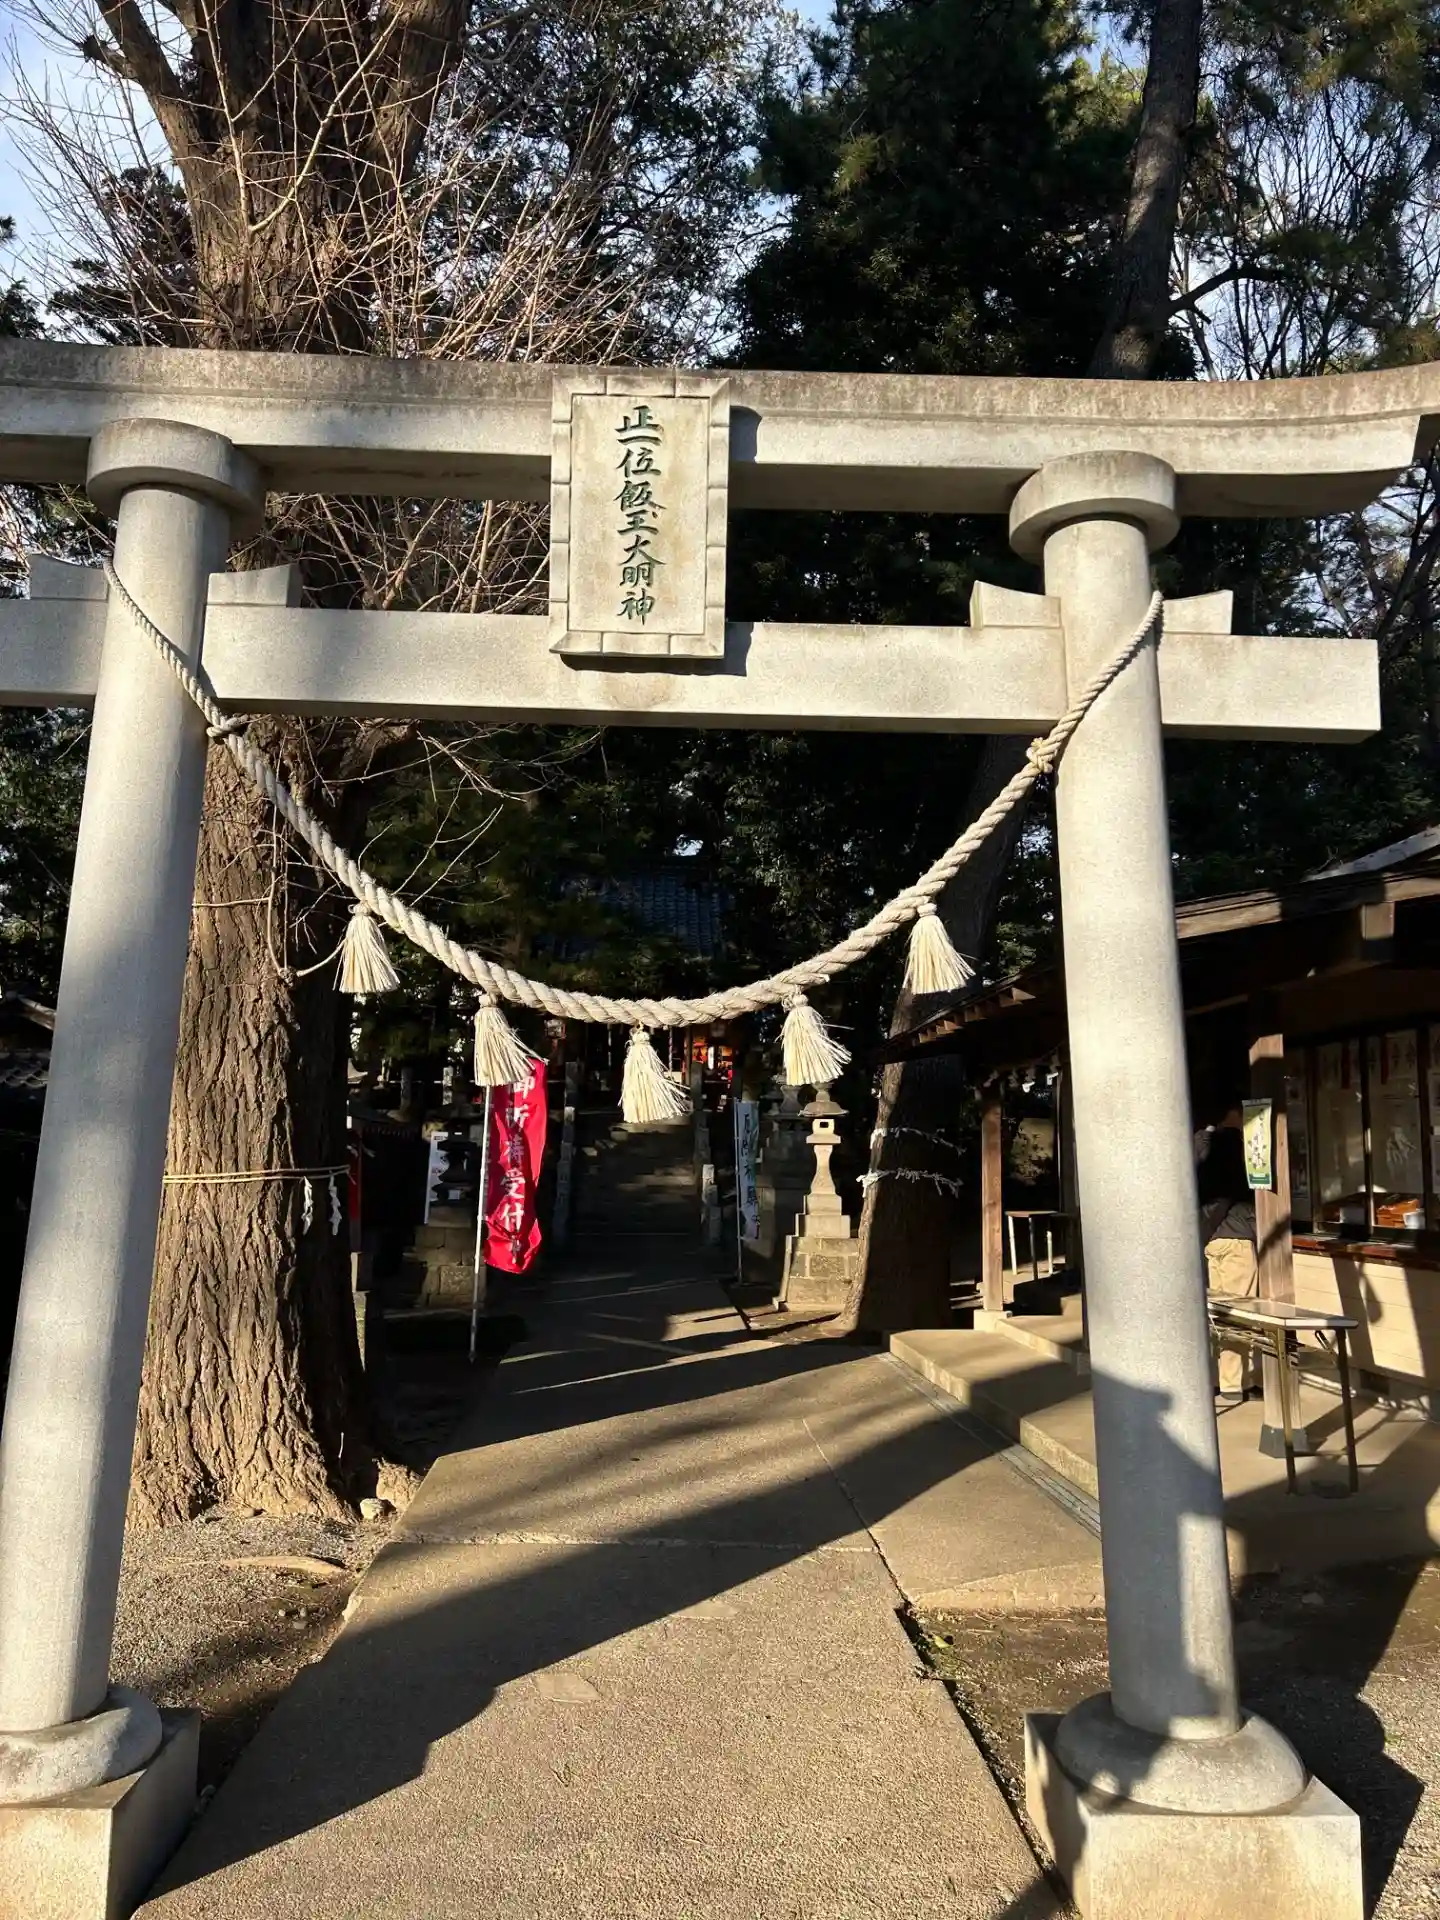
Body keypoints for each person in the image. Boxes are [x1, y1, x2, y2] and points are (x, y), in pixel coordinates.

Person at [1196, 1103, 1258, 1406]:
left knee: (1217, 1312)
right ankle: (1234, 1384)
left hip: (1213, 1240)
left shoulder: (1200, 1145)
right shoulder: (1234, 1147)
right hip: (1236, 1238)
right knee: (1237, 1312)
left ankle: (1218, 1378)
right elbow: (1230, 1192)